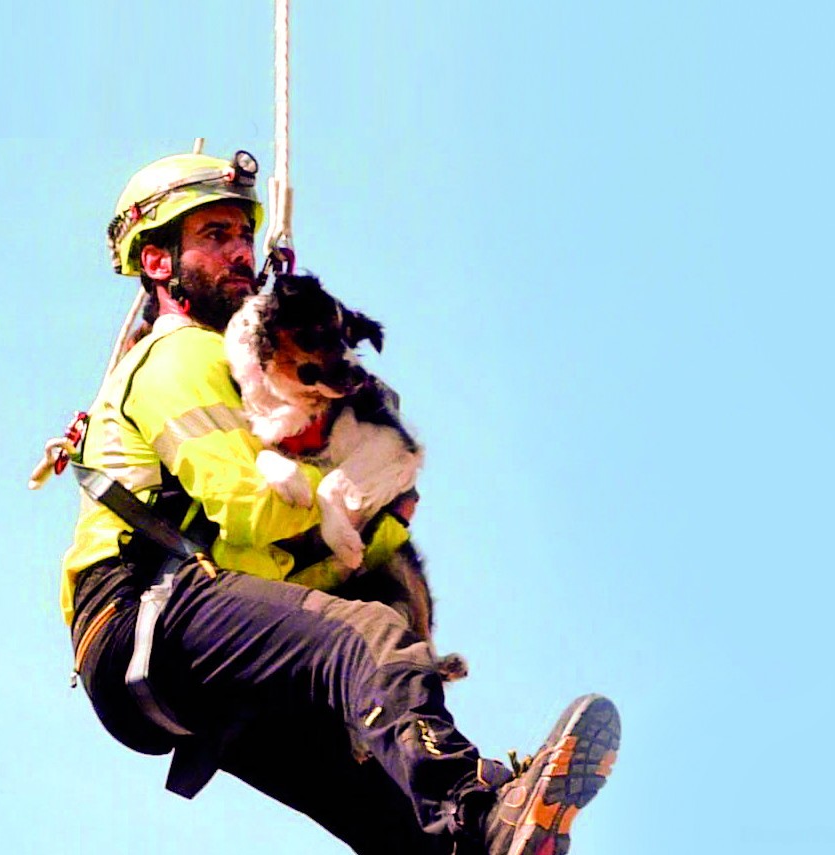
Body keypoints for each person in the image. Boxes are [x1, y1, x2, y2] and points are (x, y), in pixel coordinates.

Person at [62, 145, 621, 855]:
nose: (240, 252)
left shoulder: (241, 370)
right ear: (157, 261)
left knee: (376, 787)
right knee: (366, 639)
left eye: (242, 233)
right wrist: (369, 512)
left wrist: (379, 530)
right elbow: (251, 508)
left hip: (176, 657)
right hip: (150, 613)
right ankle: (470, 797)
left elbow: (275, 549)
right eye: (213, 236)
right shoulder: (178, 355)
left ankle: (475, 834)